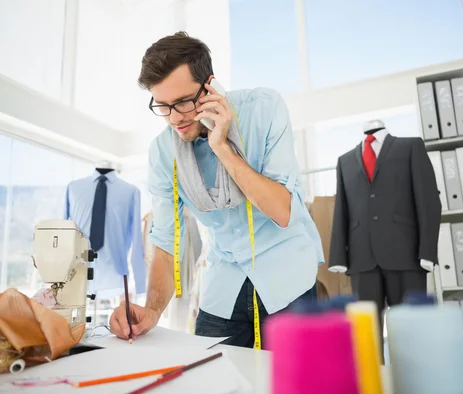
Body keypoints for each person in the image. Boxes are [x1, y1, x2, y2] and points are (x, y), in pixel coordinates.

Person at [109, 31, 324, 348]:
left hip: (288, 281)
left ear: (209, 86)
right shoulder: (162, 153)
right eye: (163, 106)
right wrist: (152, 310)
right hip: (224, 286)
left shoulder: (262, 110)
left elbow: (283, 211)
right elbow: (168, 242)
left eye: (183, 102)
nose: (174, 119)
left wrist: (222, 148)